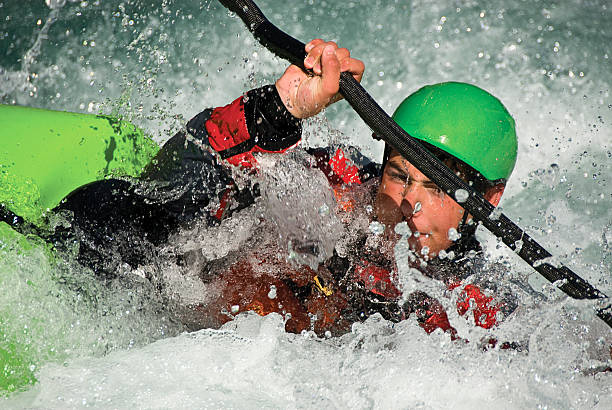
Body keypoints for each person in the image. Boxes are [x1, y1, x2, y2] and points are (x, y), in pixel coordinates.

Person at [47, 39, 520, 340]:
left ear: (488, 201)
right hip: (160, 319)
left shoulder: (473, 303)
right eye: (398, 176)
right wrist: (278, 110)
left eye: (436, 189)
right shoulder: (329, 186)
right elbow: (161, 199)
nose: (410, 206)